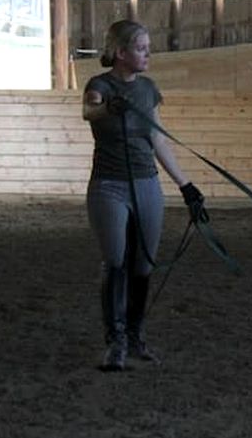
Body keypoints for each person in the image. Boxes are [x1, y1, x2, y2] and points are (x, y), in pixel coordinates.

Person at [82, 19, 206, 371]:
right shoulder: (99, 85)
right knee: (116, 260)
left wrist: (186, 185)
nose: (147, 53)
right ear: (120, 53)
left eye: (148, 48)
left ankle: (135, 335)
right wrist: (108, 108)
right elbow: (88, 111)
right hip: (109, 185)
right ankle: (115, 341)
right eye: (140, 48)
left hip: (146, 182)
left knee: (143, 264)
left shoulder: (149, 90)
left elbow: (158, 140)